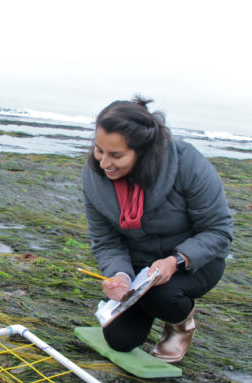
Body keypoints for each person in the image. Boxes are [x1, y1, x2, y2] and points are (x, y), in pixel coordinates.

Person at [81, 96, 232, 363]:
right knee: (120, 340)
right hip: (139, 269)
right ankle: (140, 299)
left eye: (116, 155)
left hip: (192, 263)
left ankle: (180, 324)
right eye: (99, 150)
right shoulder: (95, 177)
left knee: (164, 297)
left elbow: (218, 231)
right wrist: (120, 276)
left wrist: (176, 260)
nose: (104, 163)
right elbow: (106, 241)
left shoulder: (187, 164)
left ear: (144, 151)